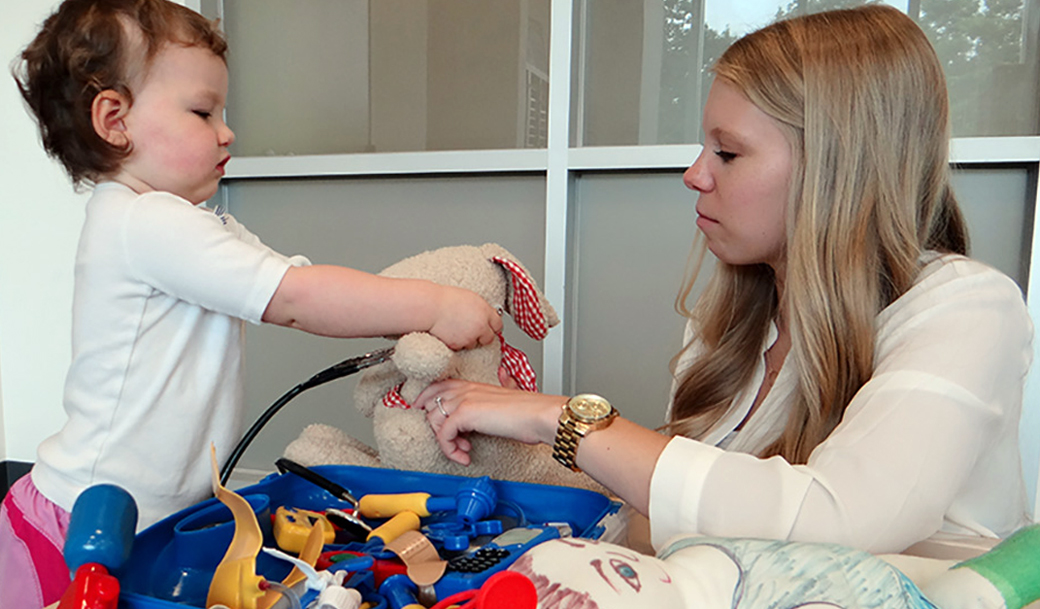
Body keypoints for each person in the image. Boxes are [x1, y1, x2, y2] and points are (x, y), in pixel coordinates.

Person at [416, 3, 1034, 559]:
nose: (694, 175)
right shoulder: (732, 323)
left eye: (728, 153)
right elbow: (684, 522)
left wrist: (560, 421)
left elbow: (841, 521)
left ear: (835, 168)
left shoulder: (968, 311)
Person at [0, 1, 502, 606]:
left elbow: (303, 283)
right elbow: (296, 301)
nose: (226, 130)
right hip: (82, 531)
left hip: (150, 520)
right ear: (114, 119)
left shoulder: (188, 225)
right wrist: (434, 306)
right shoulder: (144, 222)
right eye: (201, 111)